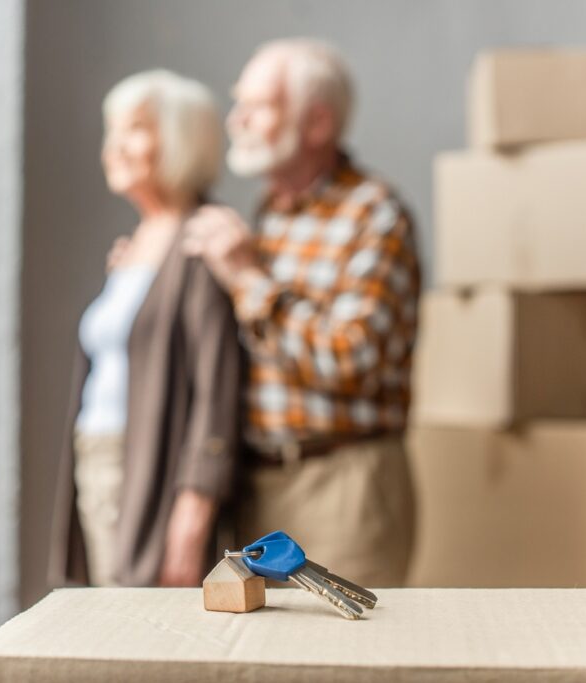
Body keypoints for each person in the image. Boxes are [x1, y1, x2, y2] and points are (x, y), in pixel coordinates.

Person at [185, 39, 421, 586]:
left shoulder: (376, 215)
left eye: (259, 105)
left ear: (316, 124)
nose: (236, 119)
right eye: (237, 102)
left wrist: (248, 279)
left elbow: (352, 359)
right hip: (257, 484)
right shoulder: (269, 213)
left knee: (339, 663)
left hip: (343, 483)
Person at [48, 70, 242, 588]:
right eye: (111, 130)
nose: (115, 146)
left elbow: (215, 390)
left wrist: (192, 512)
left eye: (134, 129)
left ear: (180, 139)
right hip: (101, 458)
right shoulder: (139, 241)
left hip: (146, 470)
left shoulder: (203, 239)